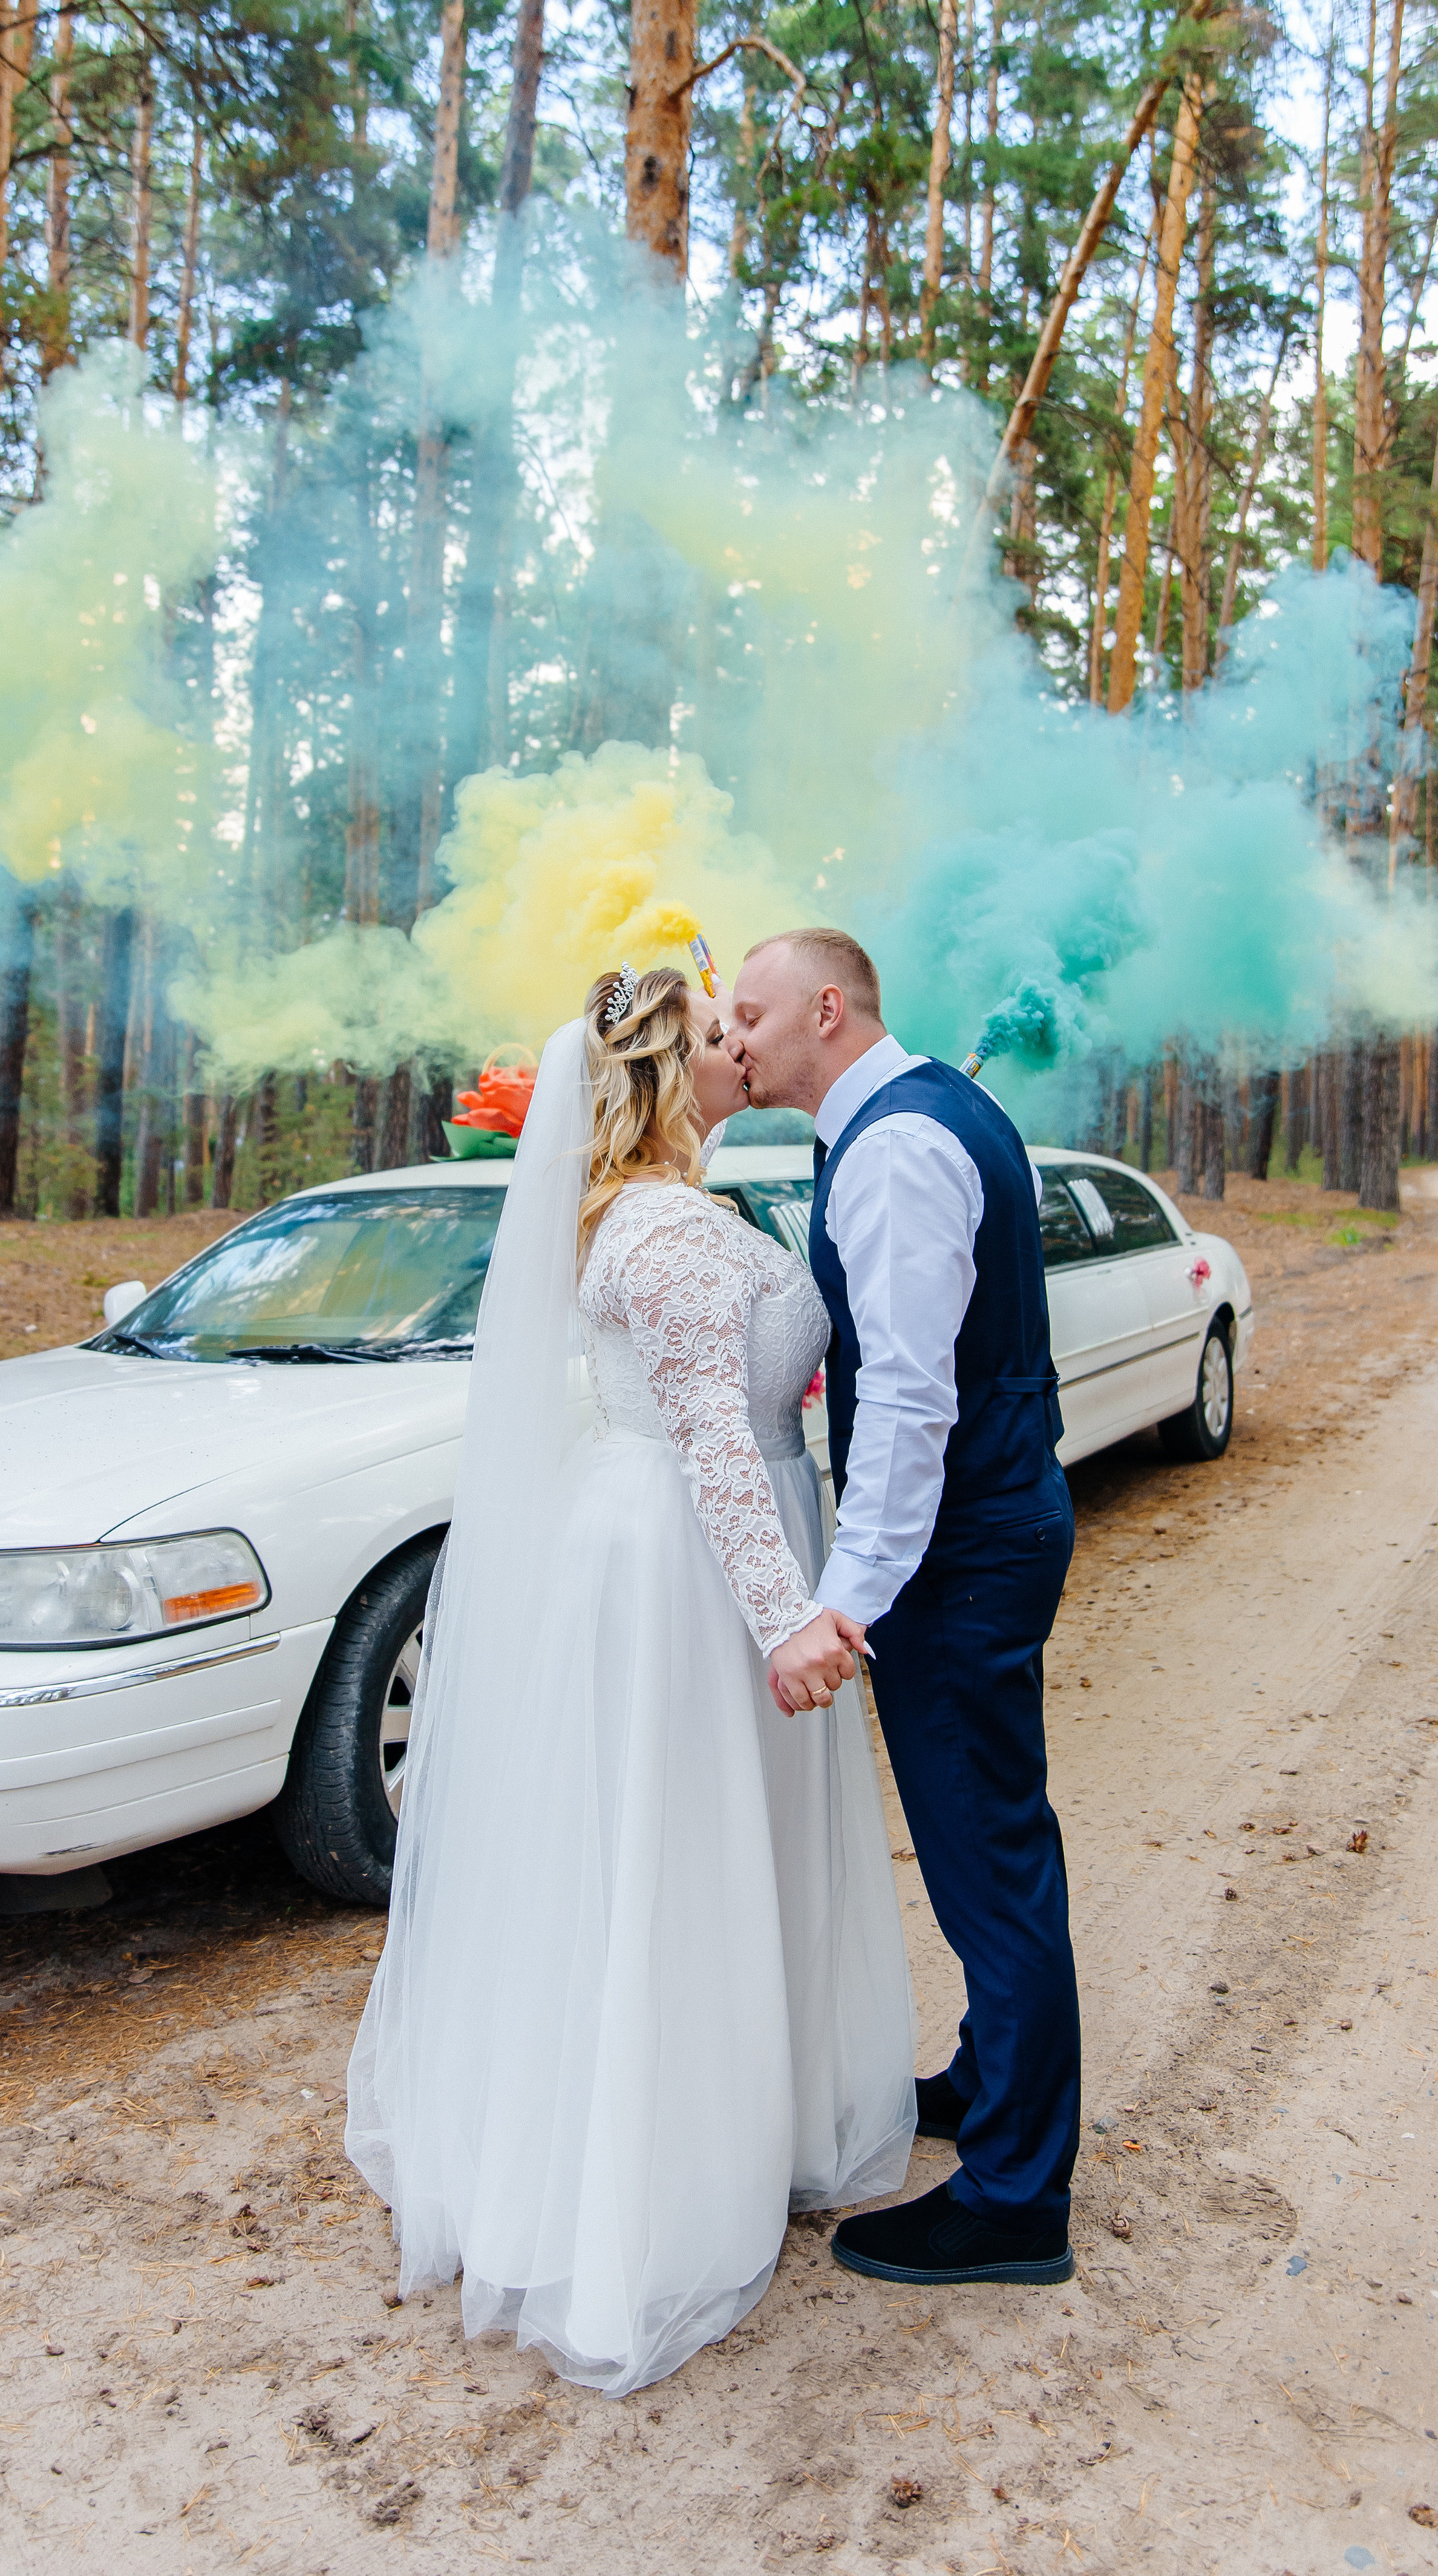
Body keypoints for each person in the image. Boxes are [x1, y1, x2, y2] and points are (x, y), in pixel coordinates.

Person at [345, 966, 915, 2396]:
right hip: (683, 1562)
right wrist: (787, 1617)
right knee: (673, 1861)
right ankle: (647, 2198)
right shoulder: (659, 1228)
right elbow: (718, 1441)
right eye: (719, 1036)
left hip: (696, 1539)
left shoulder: (671, 1207)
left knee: (702, 1853)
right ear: (674, 1076)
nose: (742, 1046)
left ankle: (745, 2116)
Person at [725, 926, 1079, 2289]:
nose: (735, 1037)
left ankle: (1013, 2198)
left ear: (828, 1006)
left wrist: (846, 1600)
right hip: (989, 1521)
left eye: (751, 1013)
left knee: (988, 1854)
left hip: (962, 1545)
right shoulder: (922, 1112)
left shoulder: (895, 1148)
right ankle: (995, 2077)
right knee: (997, 1827)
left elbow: (913, 1400)